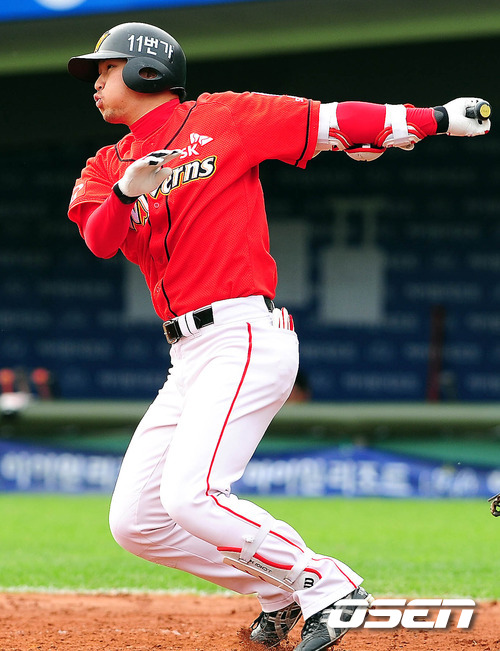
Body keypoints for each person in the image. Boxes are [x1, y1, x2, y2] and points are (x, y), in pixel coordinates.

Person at [67, 22, 490, 650]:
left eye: (105, 69)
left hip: (242, 333)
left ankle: (329, 586)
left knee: (191, 496)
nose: (96, 82)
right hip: (187, 354)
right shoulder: (108, 165)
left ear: (144, 71)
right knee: (137, 523)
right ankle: (281, 589)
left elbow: (330, 121)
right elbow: (100, 240)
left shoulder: (224, 117)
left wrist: (437, 119)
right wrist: (128, 191)